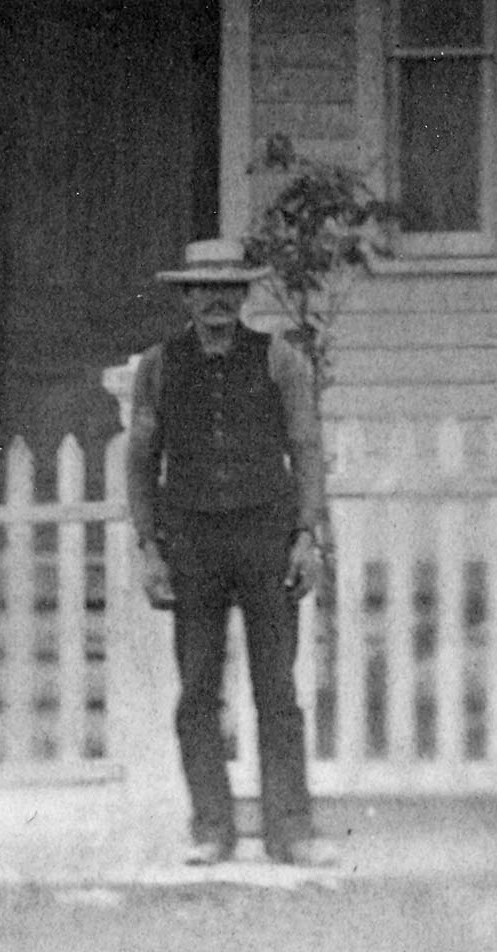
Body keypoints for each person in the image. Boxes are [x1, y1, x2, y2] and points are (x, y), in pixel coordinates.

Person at [123, 238, 332, 867]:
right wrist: (149, 549)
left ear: (244, 295)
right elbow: (139, 463)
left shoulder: (280, 360)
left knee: (277, 690)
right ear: (185, 297)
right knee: (197, 692)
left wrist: (306, 535)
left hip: (265, 538)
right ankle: (212, 826)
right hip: (192, 544)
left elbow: (307, 449)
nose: (216, 301)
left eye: (228, 289)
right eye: (202, 290)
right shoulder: (158, 367)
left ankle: (289, 830)